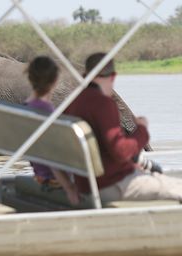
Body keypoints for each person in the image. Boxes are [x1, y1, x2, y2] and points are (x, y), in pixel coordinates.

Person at [65, 52, 182, 203]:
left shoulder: (74, 103)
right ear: (113, 76)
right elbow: (121, 151)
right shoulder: (102, 104)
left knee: (162, 180)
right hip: (110, 185)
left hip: (86, 184)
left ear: (84, 75)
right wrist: (142, 130)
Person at [25, 56, 79, 205]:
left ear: (30, 78)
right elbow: (52, 156)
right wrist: (69, 187)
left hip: (39, 174)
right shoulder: (45, 111)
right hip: (54, 179)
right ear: (55, 80)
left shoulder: (27, 107)